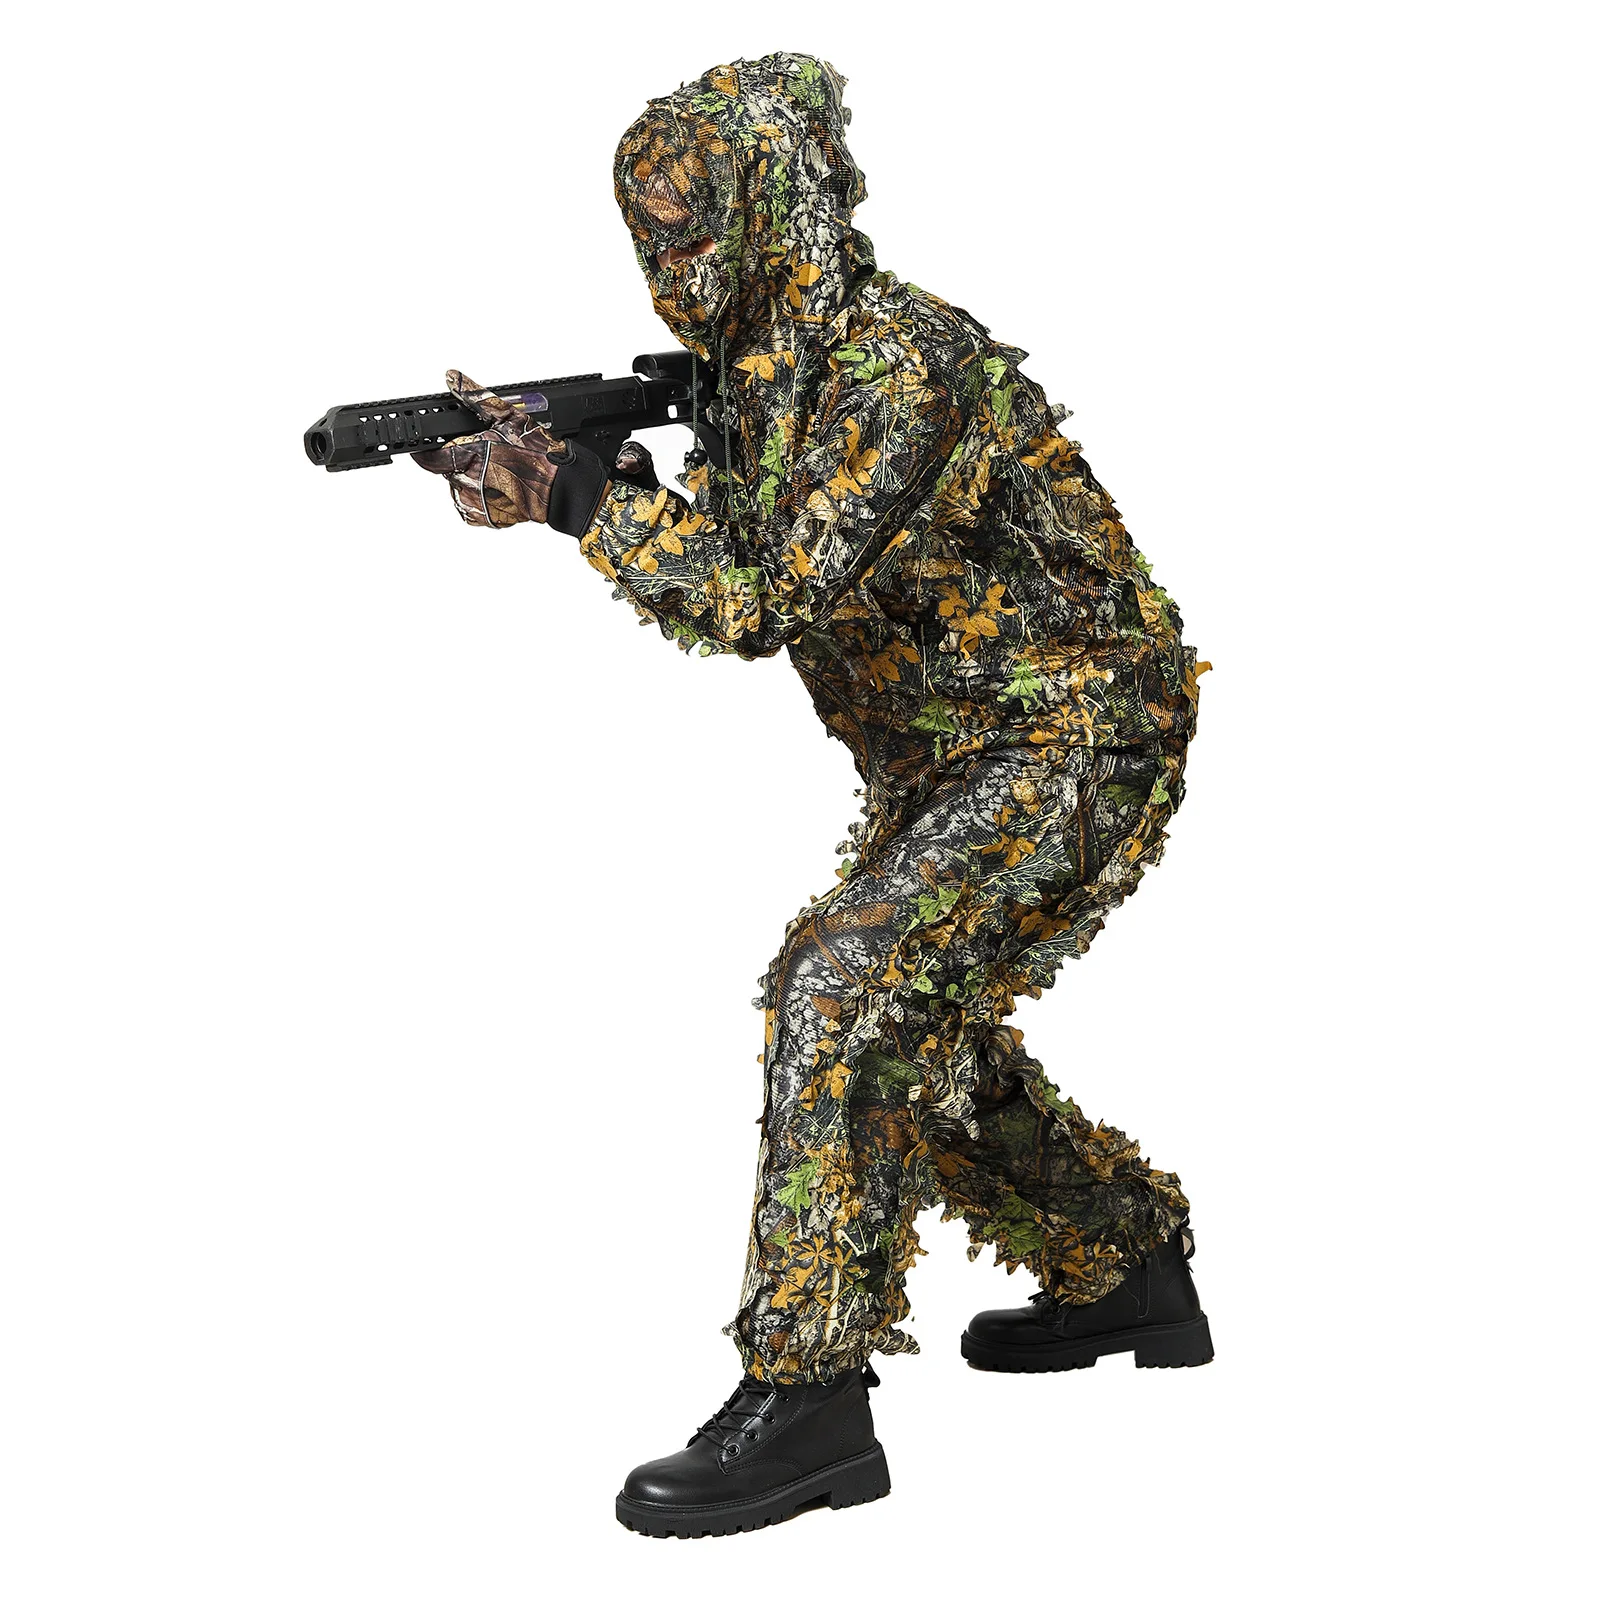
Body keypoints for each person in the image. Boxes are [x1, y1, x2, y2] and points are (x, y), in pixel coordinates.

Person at [414, 50, 1213, 1541]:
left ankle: (808, 1400)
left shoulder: (897, 361)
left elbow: (758, 596)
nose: (673, 271)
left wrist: (587, 498)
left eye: (695, 232)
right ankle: (1124, 1263)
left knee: (840, 985)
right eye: (648, 240)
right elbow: (740, 551)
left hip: (1080, 736)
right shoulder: (753, 383)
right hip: (944, 759)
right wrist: (574, 475)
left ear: (774, 207)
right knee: (902, 1018)